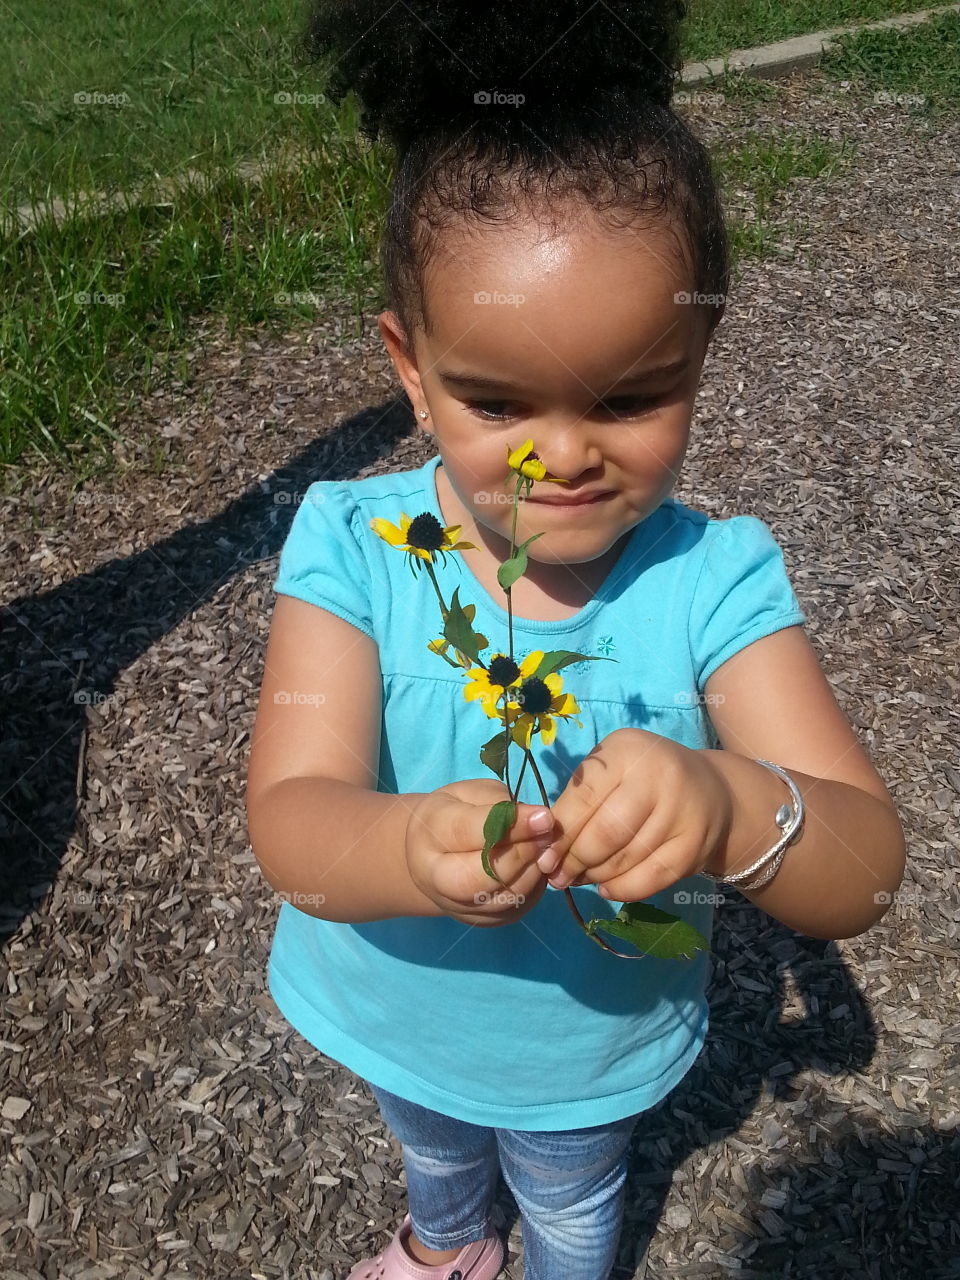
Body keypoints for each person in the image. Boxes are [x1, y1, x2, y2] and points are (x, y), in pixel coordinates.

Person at [245, 3, 907, 1277]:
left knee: (570, 1196)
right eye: (497, 401)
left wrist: (728, 799)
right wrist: (400, 843)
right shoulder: (353, 545)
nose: (559, 452)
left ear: (701, 354)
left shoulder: (715, 582)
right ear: (411, 368)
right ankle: (445, 1245)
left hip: (584, 1050)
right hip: (395, 1006)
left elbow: (864, 872)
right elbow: (289, 817)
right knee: (434, 1150)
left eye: (629, 395)